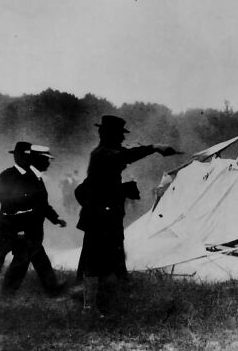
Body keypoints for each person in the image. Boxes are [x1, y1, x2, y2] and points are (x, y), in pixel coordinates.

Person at [76, 115, 177, 314]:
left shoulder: (105, 152)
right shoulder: (104, 154)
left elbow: (124, 155)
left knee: (111, 258)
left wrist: (152, 148)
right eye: (119, 135)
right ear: (109, 135)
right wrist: (154, 148)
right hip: (100, 216)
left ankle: (106, 301)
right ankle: (90, 306)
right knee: (95, 261)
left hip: (106, 215)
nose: (122, 139)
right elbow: (124, 157)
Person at [1, 144, 68, 296]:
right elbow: (11, 205)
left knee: (37, 260)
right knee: (22, 262)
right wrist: (19, 229)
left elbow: (42, 204)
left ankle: (52, 289)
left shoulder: (35, 177)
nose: (49, 163)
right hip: (24, 229)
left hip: (34, 229)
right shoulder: (22, 177)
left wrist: (55, 218)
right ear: (36, 159)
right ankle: (7, 294)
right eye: (46, 160)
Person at [0, 142, 33, 288]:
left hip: (23, 226)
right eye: (22, 155)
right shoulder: (7, 175)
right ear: (16, 157)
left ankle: (9, 291)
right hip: (9, 225)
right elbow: (5, 200)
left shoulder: (32, 176)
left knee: (21, 260)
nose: (25, 159)